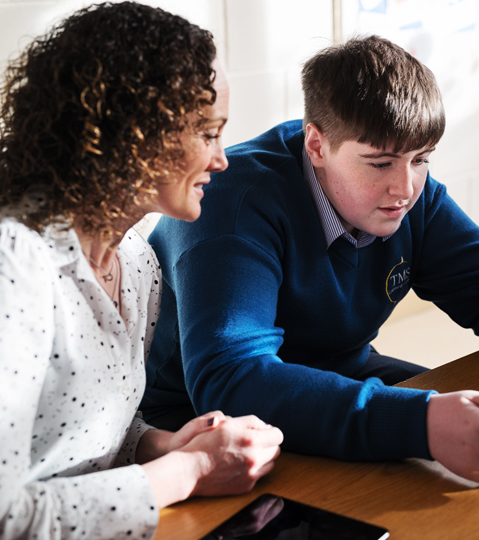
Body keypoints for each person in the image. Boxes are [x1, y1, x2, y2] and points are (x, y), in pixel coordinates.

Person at [141, 34, 479, 486]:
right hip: (201, 419)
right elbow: (236, 378)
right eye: (380, 162)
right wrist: (421, 424)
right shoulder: (232, 204)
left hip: (338, 372)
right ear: (316, 145)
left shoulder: (410, 191)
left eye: (421, 159)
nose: (405, 187)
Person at [0, 4, 283, 539]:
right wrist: (189, 470)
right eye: (207, 132)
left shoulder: (137, 260)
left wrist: (164, 444)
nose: (221, 159)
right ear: (130, 132)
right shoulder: (15, 262)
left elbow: (85, 434)